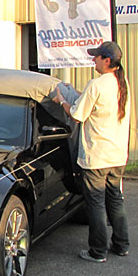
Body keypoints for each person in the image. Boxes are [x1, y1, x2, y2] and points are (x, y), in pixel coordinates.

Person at [54, 41, 130, 263]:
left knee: (95, 204)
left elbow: (77, 115)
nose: (93, 60)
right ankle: (121, 245)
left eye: (96, 57)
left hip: (96, 157)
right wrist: (76, 92)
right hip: (117, 155)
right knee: (115, 199)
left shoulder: (96, 84)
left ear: (107, 61)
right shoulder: (121, 83)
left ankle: (97, 251)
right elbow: (92, 102)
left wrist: (61, 100)